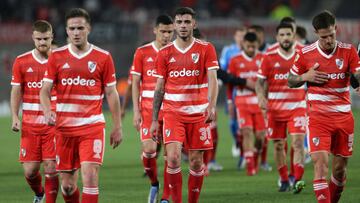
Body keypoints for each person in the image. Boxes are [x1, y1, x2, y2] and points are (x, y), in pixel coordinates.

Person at [40, 8, 123, 203]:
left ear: (89, 29)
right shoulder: (56, 56)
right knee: (68, 187)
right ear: (67, 31)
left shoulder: (103, 57)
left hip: (91, 126)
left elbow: (111, 92)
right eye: (72, 28)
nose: (76, 32)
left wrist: (117, 125)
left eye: (80, 28)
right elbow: (45, 90)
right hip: (64, 129)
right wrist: (46, 109)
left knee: (90, 175)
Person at [288, 10, 360, 203]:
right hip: (318, 118)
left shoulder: (349, 51)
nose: (329, 40)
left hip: (344, 117)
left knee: (340, 169)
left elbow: (357, 75)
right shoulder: (305, 54)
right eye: (324, 37)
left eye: (331, 35)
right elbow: (290, 80)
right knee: (320, 165)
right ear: (315, 33)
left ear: (336, 28)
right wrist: (305, 77)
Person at [150, 7, 219, 203]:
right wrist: (155, 119)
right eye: (179, 22)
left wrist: (211, 106)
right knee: (172, 158)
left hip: (199, 114)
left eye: (187, 22)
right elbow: (159, 88)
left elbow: (213, 79)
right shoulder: (164, 53)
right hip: (173, 114)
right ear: (174, 26)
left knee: (197, 163)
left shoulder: (206, 48)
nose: (183, 26)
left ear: (194, 24)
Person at [10, 20, 59, 203]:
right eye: (38, 39)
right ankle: (40, 194)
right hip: (30, 125)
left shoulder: (60, 60)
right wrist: (15, 116)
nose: (42, 43)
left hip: (53, 124)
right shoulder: (22, 61)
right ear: (33, 38)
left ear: (52, 37)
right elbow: (16, 90)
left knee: (51, 168)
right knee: (30, 172)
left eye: (46, 38)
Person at [256, 22, 306, 193]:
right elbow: (260, 81)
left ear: (294, 35)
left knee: (298, 142)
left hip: (298, 106)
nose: (285, 38)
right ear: (277, 37)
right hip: (275, 109)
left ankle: (298, 179)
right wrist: (261, 97)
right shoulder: (268, 56)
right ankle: (284, 178)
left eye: (288, 34)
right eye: (282, 35)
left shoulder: (302, 54)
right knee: (278, 145)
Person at [131, 14, 174, 203]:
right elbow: (135, 82)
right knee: (149, 151)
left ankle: (165, 197)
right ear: (155, 30)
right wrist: (135, 111)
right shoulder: (142, 52)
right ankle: (154, 183)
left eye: (169, 32)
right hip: (148, 110)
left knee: (170, 156)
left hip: (172, 109)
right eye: (163, 31)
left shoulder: (176, 52)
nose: (166, 35)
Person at [228, 32, 266, 176]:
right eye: (248, 46)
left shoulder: (263, 58)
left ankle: (255, 157)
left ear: (257, 45)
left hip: (259, 101)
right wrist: (230, 101)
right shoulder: (235, 60)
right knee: (247, 132)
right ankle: (250, 165)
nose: (250, 49)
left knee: (260, 136)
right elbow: (231, 82)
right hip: (242, 100)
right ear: (243, 44)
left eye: (253, 46)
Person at [219, 27, 246, 158]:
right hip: (233, 89)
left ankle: (246, 147)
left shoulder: (251, 50)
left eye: (243, 36)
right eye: (239, 36)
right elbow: (222, 70)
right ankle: (237, 141)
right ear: (235, 37)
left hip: (248, 90)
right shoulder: (228, 51)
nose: (241, 39)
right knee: (233, 118)